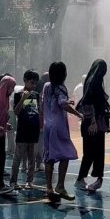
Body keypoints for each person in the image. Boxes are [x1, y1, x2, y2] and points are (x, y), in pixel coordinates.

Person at [41, 61, 83, 201]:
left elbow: (44, 103)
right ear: (63, 74)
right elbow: (62, 104)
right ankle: (60, 185)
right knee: (66, 153)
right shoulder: (61, 88)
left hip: (48, 125)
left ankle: (49, 187)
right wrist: (78, 113)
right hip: (58, 126)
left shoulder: (47, 86)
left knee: (49, 156)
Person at [75, 59, 110, 192]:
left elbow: (98, 105)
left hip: (93, 122)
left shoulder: (90, 82)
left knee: (92, 152)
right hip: (93, 123)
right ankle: (87, 178)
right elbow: (90, 103)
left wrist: (108, 115)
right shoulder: (94, 84)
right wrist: (93, 121)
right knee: (93, 152)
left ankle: (92, 178)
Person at [9, 70, 41, 194]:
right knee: (18, 157)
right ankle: (13, 181)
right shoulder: (19, 94)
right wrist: (23, 98)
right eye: (31, 82)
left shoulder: (36, 95)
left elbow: (38, 111)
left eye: (35, 83)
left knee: (32, 158)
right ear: (25, 81)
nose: (33, 85)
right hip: (23, 130)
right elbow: (16, 112)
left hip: (34, 130)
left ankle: (29, 181)